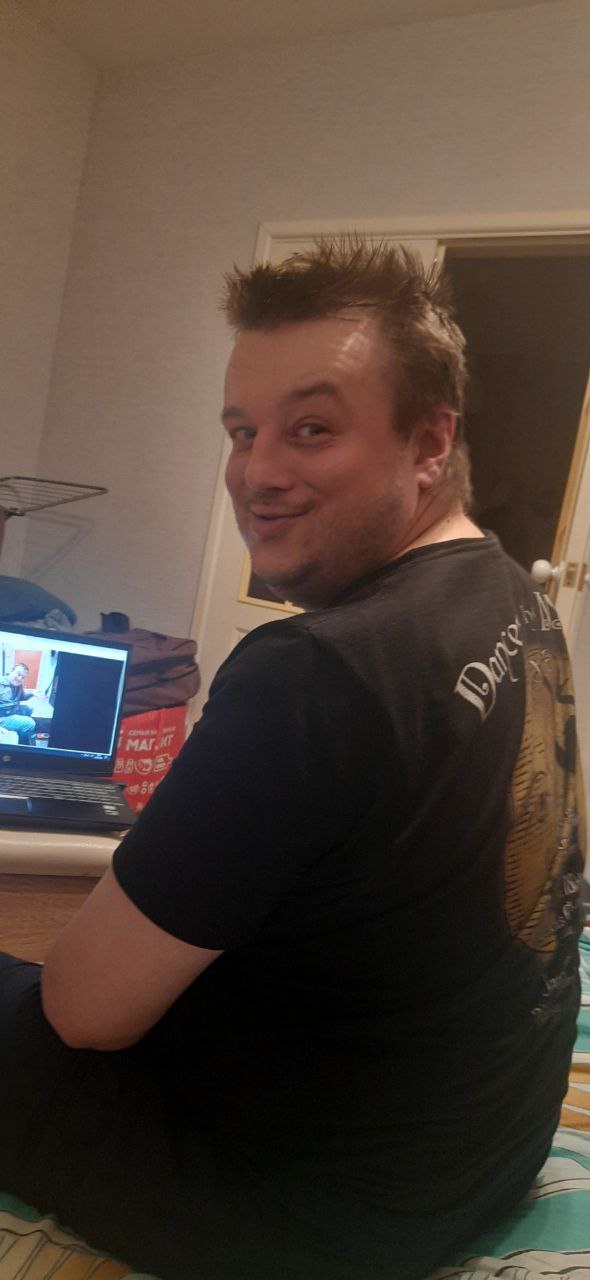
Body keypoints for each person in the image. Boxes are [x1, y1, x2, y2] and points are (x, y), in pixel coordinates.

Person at [0, 241, 586, 1280]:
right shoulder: (511, 591)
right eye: (242, 431)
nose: (257, 472)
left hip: (313, 1212)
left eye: (310, 428)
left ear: (428, 439)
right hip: (479, 1150)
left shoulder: (314, 674)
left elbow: (83, 1011)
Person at [0, 661, 37, 743]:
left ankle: (22, 731)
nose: (20, 678)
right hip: (2, 717)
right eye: (18, 674)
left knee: (29, 709)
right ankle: (22, 745)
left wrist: (32, 693)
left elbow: (22, 697)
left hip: (11, 710)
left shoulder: (18, 685)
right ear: (11, 671)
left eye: (23, 677)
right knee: (30, 723)